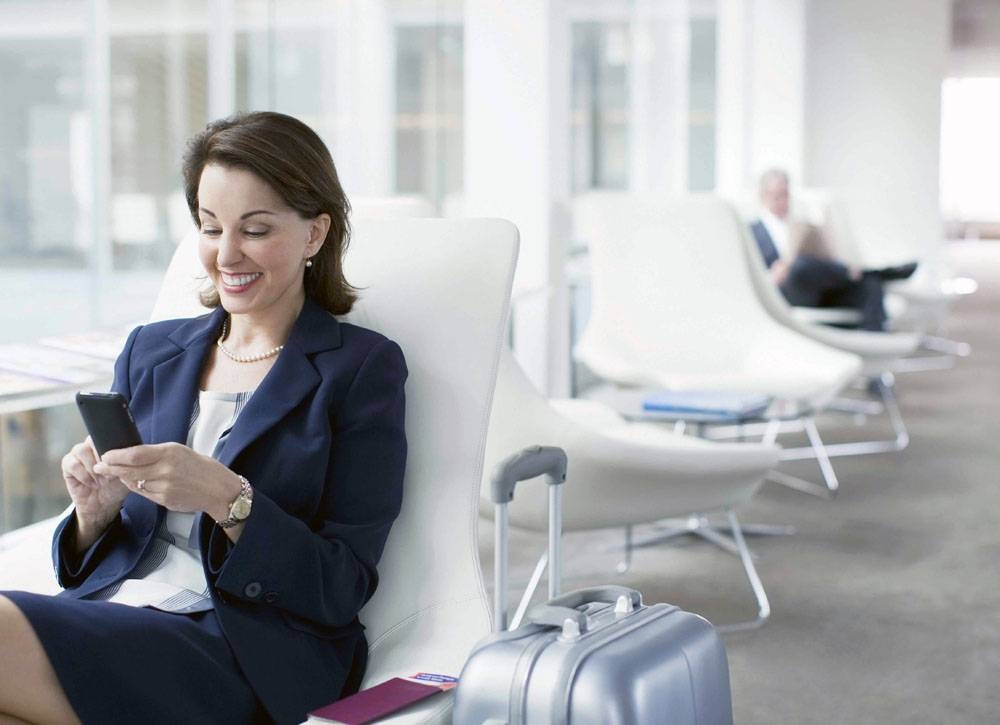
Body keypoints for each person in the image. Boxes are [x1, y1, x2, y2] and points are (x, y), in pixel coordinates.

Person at [0, 112, 408, 724]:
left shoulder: (360, 370)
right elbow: (100, 557)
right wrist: (94, 513)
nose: (227, 254)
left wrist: (226, 496)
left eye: (256, 229)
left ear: (315, 235)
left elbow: (341, 586)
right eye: (211, 227)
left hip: (242, 651)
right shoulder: (151, 351)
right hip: (116, 616)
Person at [750, 168, 916, 332]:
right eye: (776, 195)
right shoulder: (751, 231)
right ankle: (866, 272)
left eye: (786, 195)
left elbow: (825, 256)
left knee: (870, 285)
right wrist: (771, 276)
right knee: (799, 265)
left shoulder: (801, 225)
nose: (783, 201)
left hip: (821, 285)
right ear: (763, 196)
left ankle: (875, 341)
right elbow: (749, 276)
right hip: (789, 291)